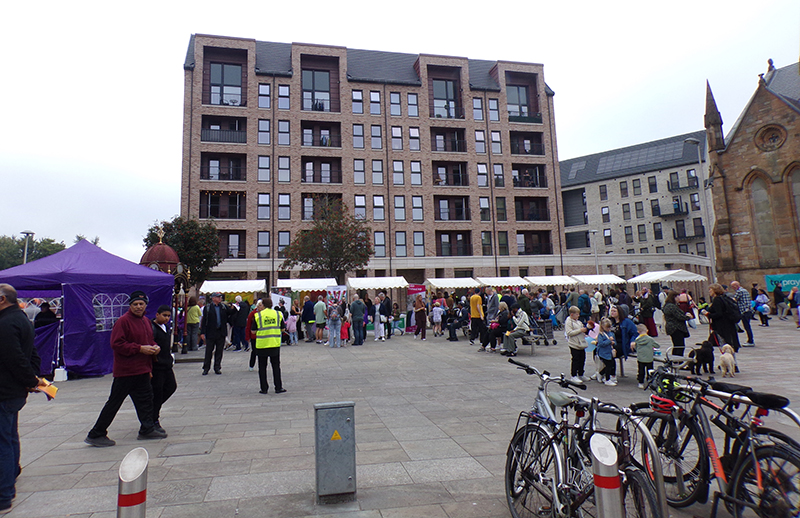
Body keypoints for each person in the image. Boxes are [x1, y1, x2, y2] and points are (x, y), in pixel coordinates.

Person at [85, 290, 166, 447]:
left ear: (146, 306)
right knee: (114, 402)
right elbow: (116, 344)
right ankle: (97, 433)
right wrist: (139, 349)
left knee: (146, 399)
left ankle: (147, 428)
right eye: (135, 304)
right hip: (126, 371)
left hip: (142, 369)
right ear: (130, 305)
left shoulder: (146, 322)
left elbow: (149, 339)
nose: (138, 307)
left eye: (141, 304)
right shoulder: (123, 321)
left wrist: (154, 347)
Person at [0, 284, 46, 513]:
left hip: (6, 389)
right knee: (9, 434)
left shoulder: (6, 323)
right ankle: (12, 472)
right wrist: (34, 378)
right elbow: (32, 354)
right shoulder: (21, 320)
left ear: (1, 299)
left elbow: (16, 358)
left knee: (3, 441)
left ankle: (4, 493)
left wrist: (31, 380)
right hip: (14, 389)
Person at [150, 305, 177, 434]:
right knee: (157, 392)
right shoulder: (152, 328)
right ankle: (154, 419)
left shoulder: (166, 327)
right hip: (157, 366)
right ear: (157, 314)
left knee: (171, 387)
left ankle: (152, 411)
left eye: (168, 316)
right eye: (164, 315)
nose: (166, 318)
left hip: (166, 364)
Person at [253, 298, 285, 394]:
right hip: (274, 343)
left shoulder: (257, 315)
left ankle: (264, 388)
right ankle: (278, 387)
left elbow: (253, 331)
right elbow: (283, 329)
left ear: (263, 305)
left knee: (262, 367)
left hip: (262, 345)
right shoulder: (278, 314)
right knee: (276, 366)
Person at [702, 283, 741, 355]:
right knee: (729, 345)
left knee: (725, 345)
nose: (709, 291)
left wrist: (708, 314)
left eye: (710, 289)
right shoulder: (723, 297)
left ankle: (728, 362)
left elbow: (719, 313)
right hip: (728, 324)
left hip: (721, 326)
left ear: (715, 290)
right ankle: (732, 362)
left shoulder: (717, 300)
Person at [200, 292, 232, 375]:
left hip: (220, 332)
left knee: (219, 351)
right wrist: (202, 332)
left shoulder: (223, 307)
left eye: (220, 297)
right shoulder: (208, 308)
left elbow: (231, 313)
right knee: (209, 351)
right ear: (213, 298)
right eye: (218, 297)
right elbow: (204, 321)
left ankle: (217, 367)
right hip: (211, 332)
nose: (220, 299)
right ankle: (206, 368)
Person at [663, 289, 692, 357]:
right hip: (676, 328)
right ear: (674, 297)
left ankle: (675, 360)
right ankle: (678, 360)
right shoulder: (671, 306)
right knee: (680, 346)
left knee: (676, 345)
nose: (679, 298)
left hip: (672, 327)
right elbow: (679, 316)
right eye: (678, 297)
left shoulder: (668, 305)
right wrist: (688, 317)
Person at [631, 323, 659, 389]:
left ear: (638, 332)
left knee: (641, 370)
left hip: (640, 358)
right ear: (647, 330)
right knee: (650, 371)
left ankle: (640, 382)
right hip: (649, 358)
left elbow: (636, 348)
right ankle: (650, 382)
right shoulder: (650, 339)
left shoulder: (637, 340)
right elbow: (657, 345)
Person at [565, 306, 588, 382]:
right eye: (577, 314)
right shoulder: (569, 322)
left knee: (582, 359)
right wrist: (580, 330)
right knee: (575, 359)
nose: (578, 316)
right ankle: (573, 375)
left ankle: (581, 374)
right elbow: (569, 333)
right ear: (572, 314)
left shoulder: (578, 322)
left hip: (581, 343)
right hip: (574, 344)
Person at [731, 281, 754, 346]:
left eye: (733, 286)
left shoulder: (739, 291)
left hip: (744, 311)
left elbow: (733, 300)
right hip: (748, 310)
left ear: (736, 285)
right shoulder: (744, 290)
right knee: (747, 326)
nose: (732, 288)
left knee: (747, 326)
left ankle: (750, 341)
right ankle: (750, 340)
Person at [594, 318, 617, 385]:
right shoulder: (601, 335)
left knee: (609, 364)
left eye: (609, 327)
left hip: (609, 352)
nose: (608, 329)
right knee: (608, 365)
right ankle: (607, 379)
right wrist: (609, 341)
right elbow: (601, 344)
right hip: (603, 352)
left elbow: (615, 342)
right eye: (607, 327)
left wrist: (613, 343)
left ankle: (600, 373)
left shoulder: (611, 334)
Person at [246, 299, 264, 371]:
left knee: (262, 352)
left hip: (262, 335)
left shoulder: (264, 314)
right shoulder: (252, 314)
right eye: (259, 305)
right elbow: (248, 326)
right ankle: (251, 365)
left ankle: (261, 365)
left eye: (262, 305)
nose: (261, 307)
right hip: (254, 336)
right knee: (254, 351)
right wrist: (247, 337)